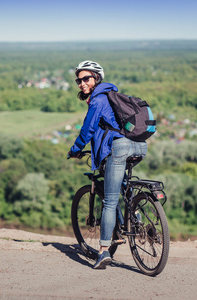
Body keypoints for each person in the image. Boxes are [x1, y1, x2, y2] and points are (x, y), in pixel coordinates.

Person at [68, 60, 148, 269]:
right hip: (138, 146)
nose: (81, 83)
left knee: (110, 202)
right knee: (121, 185)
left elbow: (87, 130)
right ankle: (135, 216)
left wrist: (75, 149)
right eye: (79, 80)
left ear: (97, 78)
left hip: (118, 148)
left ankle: (103, 252)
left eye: (86, 78)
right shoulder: (110, 96)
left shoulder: (98, 101)